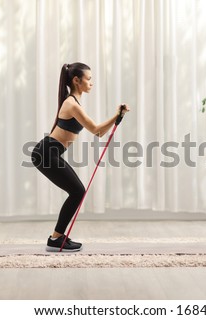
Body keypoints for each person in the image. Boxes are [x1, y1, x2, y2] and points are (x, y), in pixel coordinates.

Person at [31, 62, 130, 252]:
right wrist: (117, 115)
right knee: (77, 191)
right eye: (89, 79)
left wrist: (117, 117)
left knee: (77, 191)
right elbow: (97, 131)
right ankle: (55, 239)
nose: (91, 83)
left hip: (49, 152)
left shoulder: (73, 102)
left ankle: (57, 237)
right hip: (46, 153)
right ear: (77, 81)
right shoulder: (71, 104)